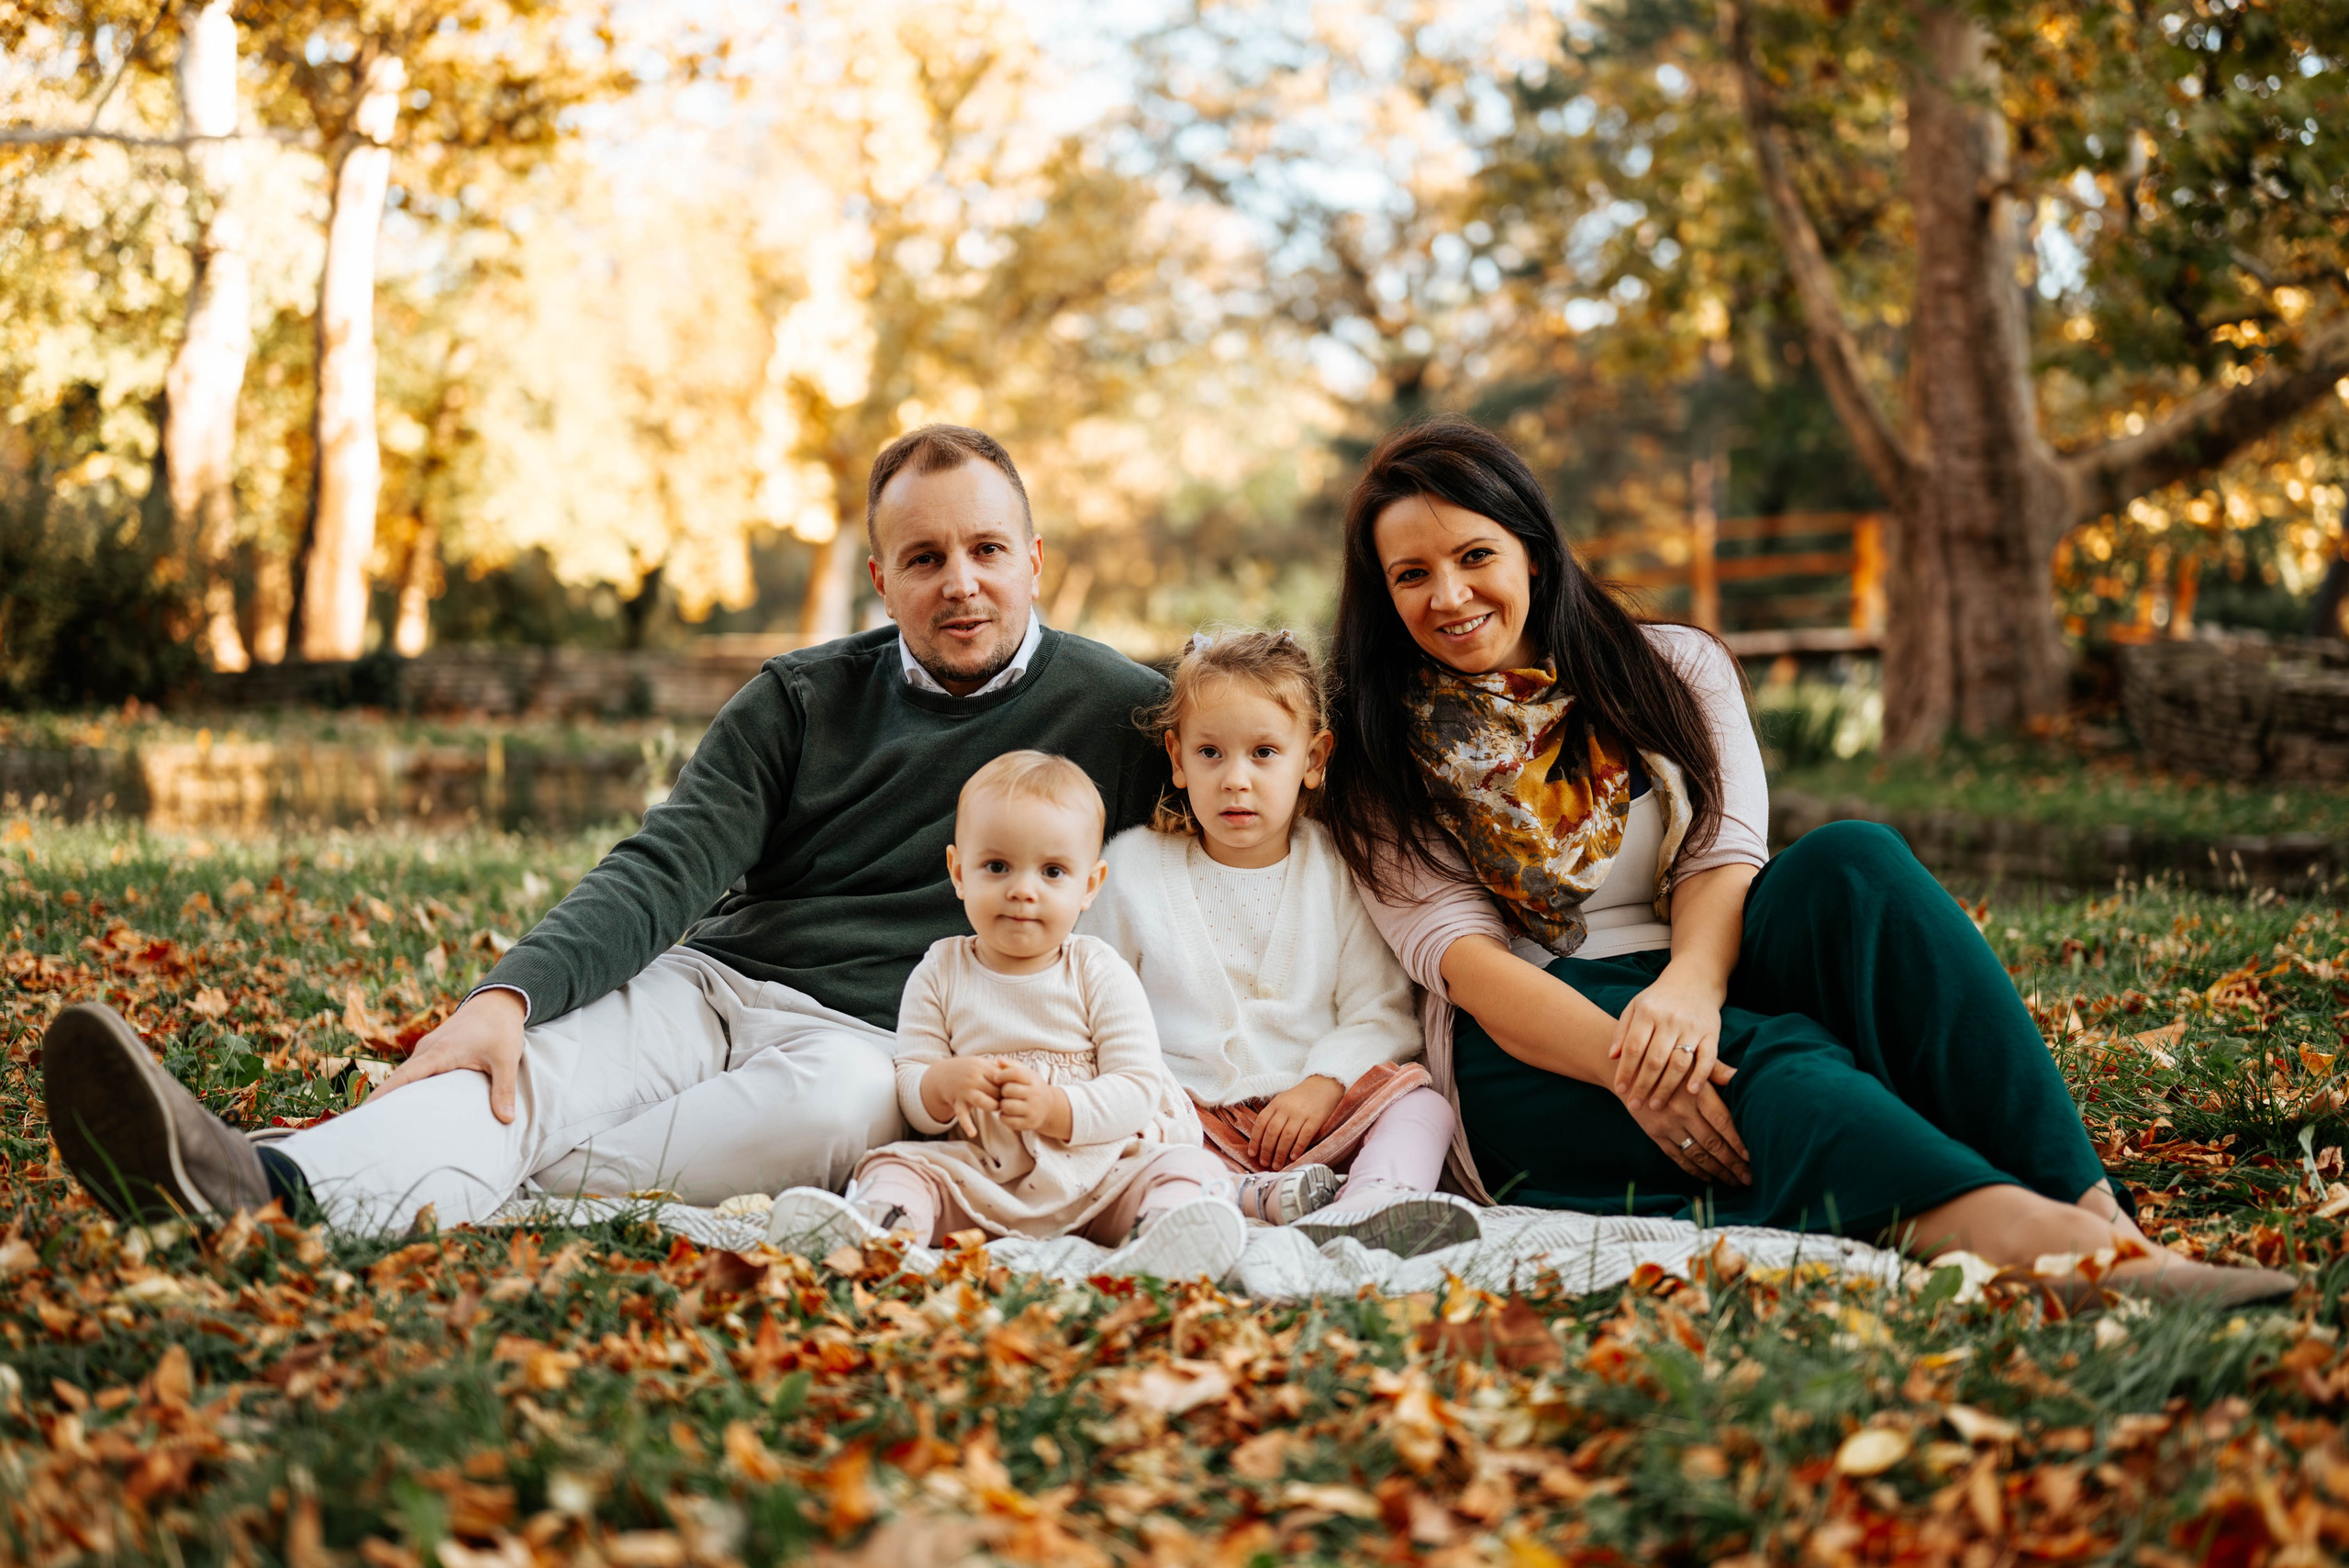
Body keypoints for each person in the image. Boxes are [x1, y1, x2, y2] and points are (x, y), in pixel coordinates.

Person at [41, 426, 1174, 1235]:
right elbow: (668, 860)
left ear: (1034, 560)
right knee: (523, 1071)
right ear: (881, 578)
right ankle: (261, 1184)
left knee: (826, 1106)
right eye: (923, 559)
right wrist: (505, 997)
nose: (960, 583)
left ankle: (443, 1176)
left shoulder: (1123, 708)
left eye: (986, 549)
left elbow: (1261, 787)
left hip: (874, 1042)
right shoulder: (801, 695)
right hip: (717, 979)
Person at [1319, 417, 2293, 1307]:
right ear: (1383, 590)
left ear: (1533, 547)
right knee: (1779, 1062)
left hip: (1706, 957)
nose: (1447, 595)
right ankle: (2058, 1256)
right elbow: (1467, 965)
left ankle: (2096, 1207)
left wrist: (1692, 990)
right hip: (1534, 1041)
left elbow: (1720, 850)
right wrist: (1635, 1069)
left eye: (1473, 553)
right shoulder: (1372, 746)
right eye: (1410, 574)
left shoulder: (1672, 666)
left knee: (1852, 859)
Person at [764, 751, 1243, 1280]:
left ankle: (1162, 1232)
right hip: (981, 1178)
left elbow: (1136, 1088)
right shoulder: (941, 970)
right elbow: (911, 1082)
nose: (1023, 889)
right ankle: (882, 1231)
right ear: (958, 872)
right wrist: (942, 1086)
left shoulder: (1097, 969)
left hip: (1098, 1172)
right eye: (997, 866)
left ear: (1089, 885)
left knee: (1183, 1169)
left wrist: (1055, 1108)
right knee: (897, 1165)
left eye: (1053, 871)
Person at [1080, 629, 1479, 1259]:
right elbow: (1090, 1002)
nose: (1236, 779)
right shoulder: (1132, 870)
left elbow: (1379, 1011)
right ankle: (1207, 1211)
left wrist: (1324, 1082)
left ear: (1314, 759)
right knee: (1148, 1153)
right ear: (1177, 758)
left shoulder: (1339, 870)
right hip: (1187, 1115)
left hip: (1316, 1112)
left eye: (1264, 752)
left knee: (1424, 1109)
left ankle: (1369, 1203)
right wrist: (1150, 1092)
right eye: (1211, 753)